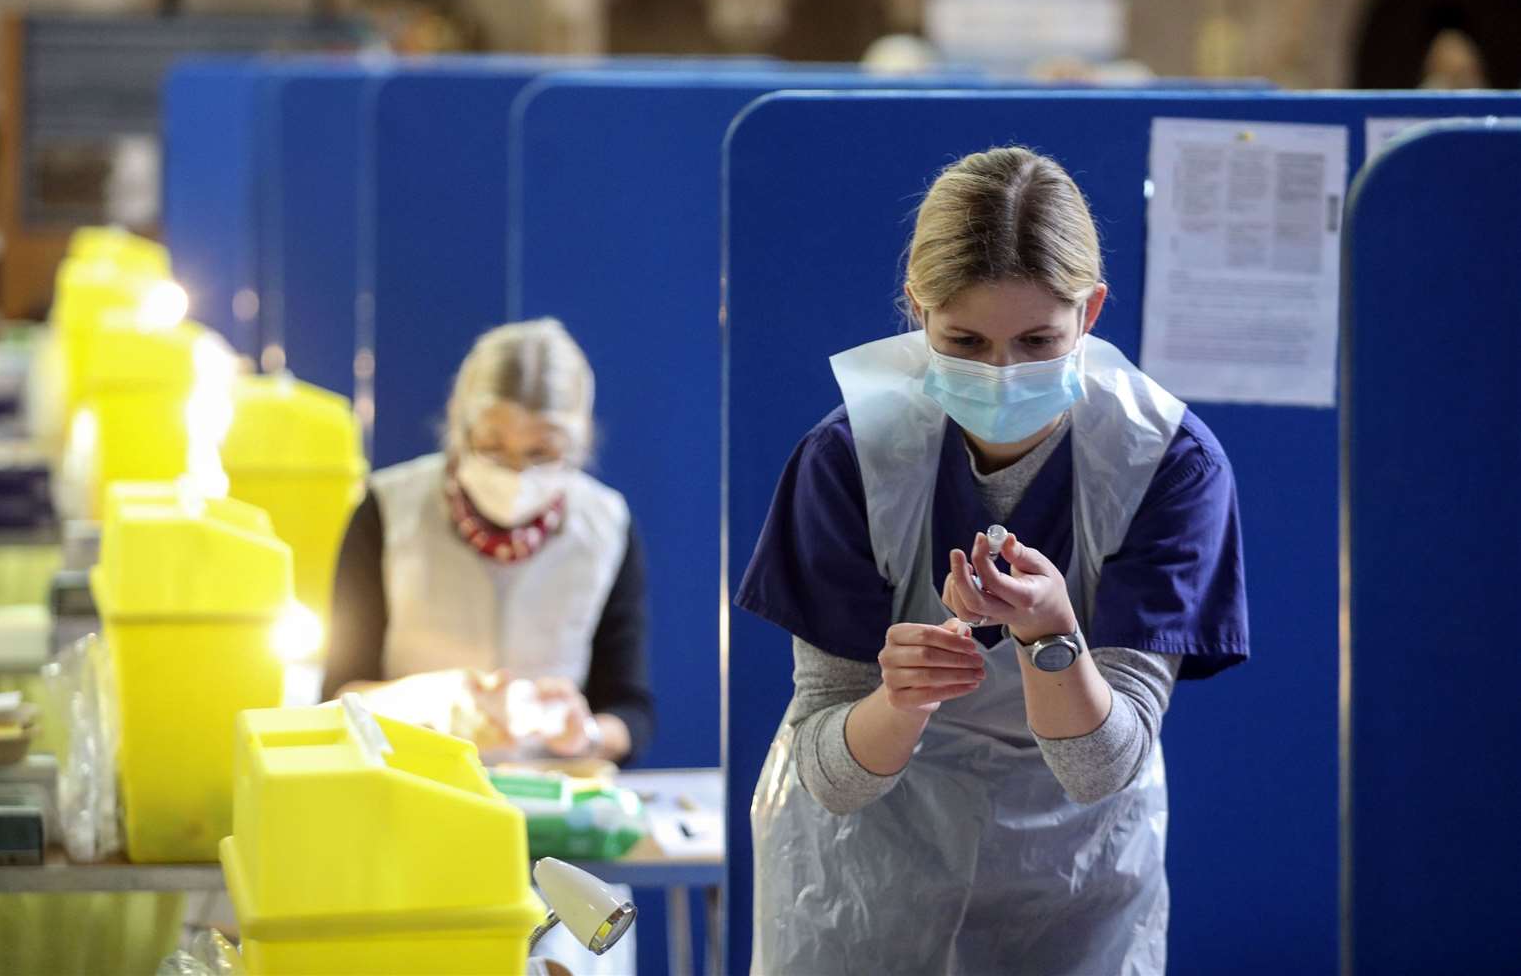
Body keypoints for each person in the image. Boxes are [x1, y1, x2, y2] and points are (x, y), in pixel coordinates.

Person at [736, 148, 1249, 974]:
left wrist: (1052, 638)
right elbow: (831, 775)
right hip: (865, 882)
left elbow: (1101, 767)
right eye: (965, 340)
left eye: (1038, 340)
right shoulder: (851, 459)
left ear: (1092, 312)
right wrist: (900, 701)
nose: (1001, 375)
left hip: (1073, 885)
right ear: (917, 310)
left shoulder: (1166, 464)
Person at [324, 318, 654, 766]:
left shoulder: (606, 525)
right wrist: (440, 703)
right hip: (413, 780)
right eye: (492, 447)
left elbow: (630, 711)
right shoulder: (388, 509)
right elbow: (339, 691)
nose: (516, 473)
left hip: (549, 791)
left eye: (542, 452)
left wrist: (586, 732)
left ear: (578, 444)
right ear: (460, 427)